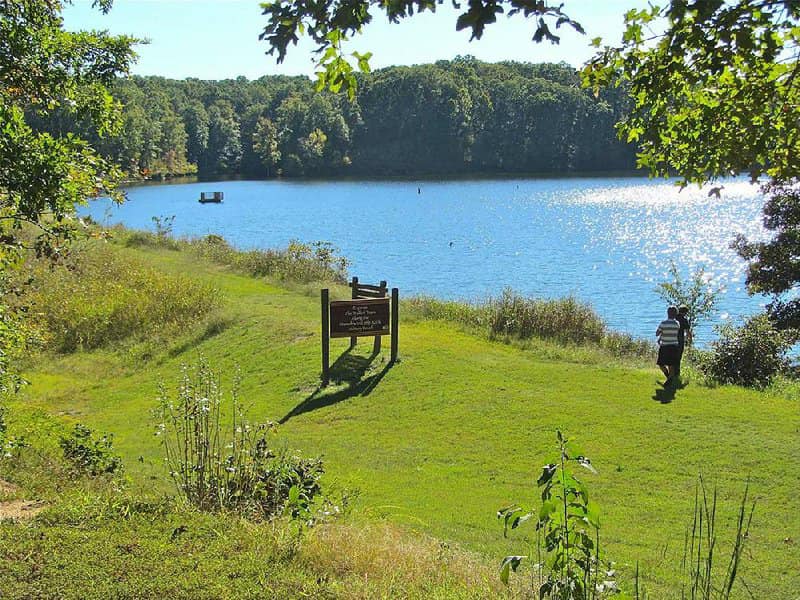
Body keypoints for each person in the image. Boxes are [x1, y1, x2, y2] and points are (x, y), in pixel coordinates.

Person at [656, 306, 681, 385]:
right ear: (675, 314)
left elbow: (657, 333)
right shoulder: (677, 323)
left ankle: (668, 377)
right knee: (671, 365)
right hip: (674, 346)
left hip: (665, 346)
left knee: (661, 364)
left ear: (667, 313)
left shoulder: (663, 323)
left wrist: (661, 336)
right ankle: (670, 378)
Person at [676, 305, 692, 377]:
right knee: (678, 357)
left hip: (672, 340)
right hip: (680, 341)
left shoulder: (674, 318)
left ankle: (671, 373)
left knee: (672, 357)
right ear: (685, 313)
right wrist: (690, 341)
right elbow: (688, 332)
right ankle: (677, 373)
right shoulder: (684, 320)